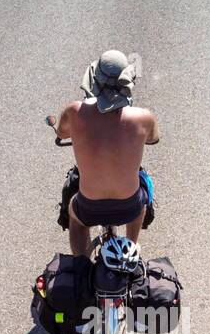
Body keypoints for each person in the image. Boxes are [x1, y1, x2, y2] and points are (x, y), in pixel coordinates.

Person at [50, 50, 160, 257]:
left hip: (89, 206)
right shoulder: (144, 117)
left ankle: (80, 263)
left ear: (94, 80)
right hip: (129, 206)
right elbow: (153, 138)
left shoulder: (74, 112)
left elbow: (61, 132)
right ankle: (130, 248)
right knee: (142, 198)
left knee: (75, 217)